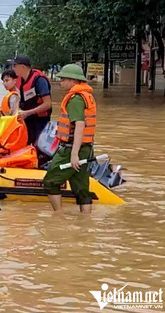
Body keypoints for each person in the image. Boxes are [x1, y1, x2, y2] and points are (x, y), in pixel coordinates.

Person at [43, 64, 96, 214]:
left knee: (50, 182)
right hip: (86, 149)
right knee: (82, 189)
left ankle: (58, 216)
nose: (60, 82)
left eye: (63, 79)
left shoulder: (76, 99)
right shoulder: (87, 96)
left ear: (73, 80)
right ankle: (85, 222)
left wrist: (74, 154)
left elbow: (79, 125)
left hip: (71, 149)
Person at [13, 55, 52, 145]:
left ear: (22, 67)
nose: (13, 68)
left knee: (39, 147)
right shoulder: (19, 80)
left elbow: (47, 104)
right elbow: (17, 99)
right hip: (26, 119)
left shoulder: (39, 81)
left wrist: (28, 113)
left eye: (14, 65)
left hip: (40, 121)